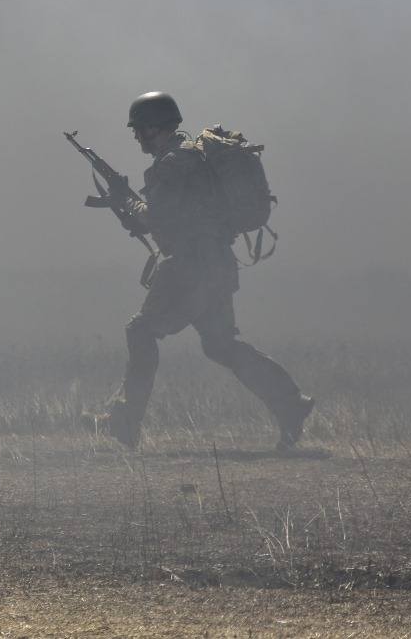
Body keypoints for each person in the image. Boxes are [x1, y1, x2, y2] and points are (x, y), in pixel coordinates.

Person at [92, 91, 313, 450]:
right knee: (220, 344)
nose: (136, 136)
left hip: (190, 267)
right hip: (216, 265)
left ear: (155, 127)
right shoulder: (191, 157)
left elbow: (154, 217)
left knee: (141, 331)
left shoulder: (172, 164)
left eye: (139, 129)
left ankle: (125, 421)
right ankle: (290, 403)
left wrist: (126, 199)